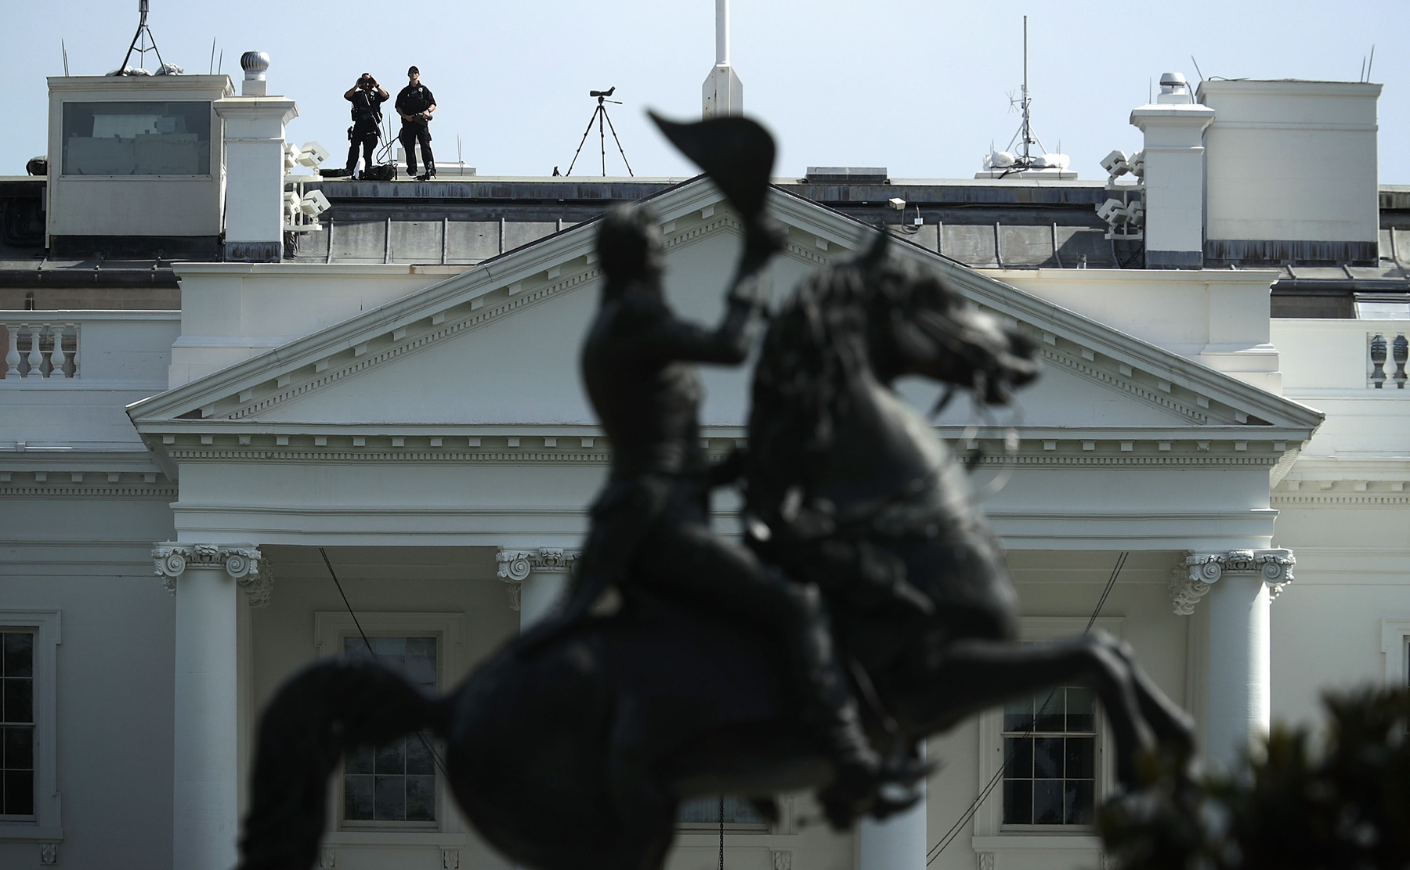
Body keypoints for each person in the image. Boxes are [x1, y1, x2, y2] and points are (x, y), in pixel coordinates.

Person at [544, 203, 924, 823]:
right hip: (660, 525)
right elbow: (729, 344)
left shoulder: (619, 323)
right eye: (656, 249)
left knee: (743, 609)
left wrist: (734, 466)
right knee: (795, 603)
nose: (665, 259)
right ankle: (848, 753)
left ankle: (745, 745)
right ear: (636, 261)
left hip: (658, 509)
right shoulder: (634, 319)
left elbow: (661, 453)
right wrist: (753, 260)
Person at [343, 73, 388, 178]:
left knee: (368, 152)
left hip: (371, 125)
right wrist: (356, 86)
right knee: (354, 147)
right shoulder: (358, 94)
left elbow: (385, 96)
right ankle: (350, 169)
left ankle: (368, 171)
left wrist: (376, 85)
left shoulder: (375, 95)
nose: (366, 84)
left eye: (368, 81)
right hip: (359, 124)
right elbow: (347, 95)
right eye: (364, 81)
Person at [395, 66, 437, 180]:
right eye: (411, 73)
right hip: (408, 123)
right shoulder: (405, 92)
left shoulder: (424, 90)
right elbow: (398, 106)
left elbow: (433, 104)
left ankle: (430, 169)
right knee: (409, 147)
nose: (413, 74)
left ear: (418, 74)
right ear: (408, 75)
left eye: (415, 72)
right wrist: (404, 116)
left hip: (421, 122)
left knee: (425, 146)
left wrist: (427, 112)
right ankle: (412, 170)